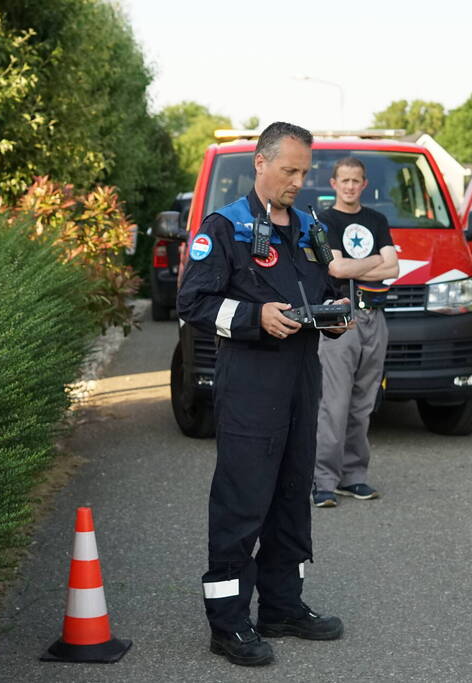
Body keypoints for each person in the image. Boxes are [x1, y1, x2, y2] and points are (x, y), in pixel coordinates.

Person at [176, 122, 351, 667]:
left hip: (301, 380)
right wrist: (255, 317)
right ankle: (228, 623)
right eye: (288, 170)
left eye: (304, 171)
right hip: (251, 385)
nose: (298, 181)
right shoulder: (224, 226)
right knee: (243, 501)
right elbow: (193, 303)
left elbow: (323, 287)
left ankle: (282, 606)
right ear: (260, 163)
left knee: (291, 496)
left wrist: (337, 316)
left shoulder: (307, 226)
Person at [312, 156, 400, 508]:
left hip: (374, 319)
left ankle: (354, 477)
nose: (350, 186)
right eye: (344, 180)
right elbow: (335, 268)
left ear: (365, 184)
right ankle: (323, 482)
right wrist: (374, 262)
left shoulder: (376, 220)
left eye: (356, 180)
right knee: (333, 404)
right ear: (333, 183)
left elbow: (394, 266)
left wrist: (357, 267)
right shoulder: (324, 220)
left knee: (363, 404)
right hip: (339, 318)